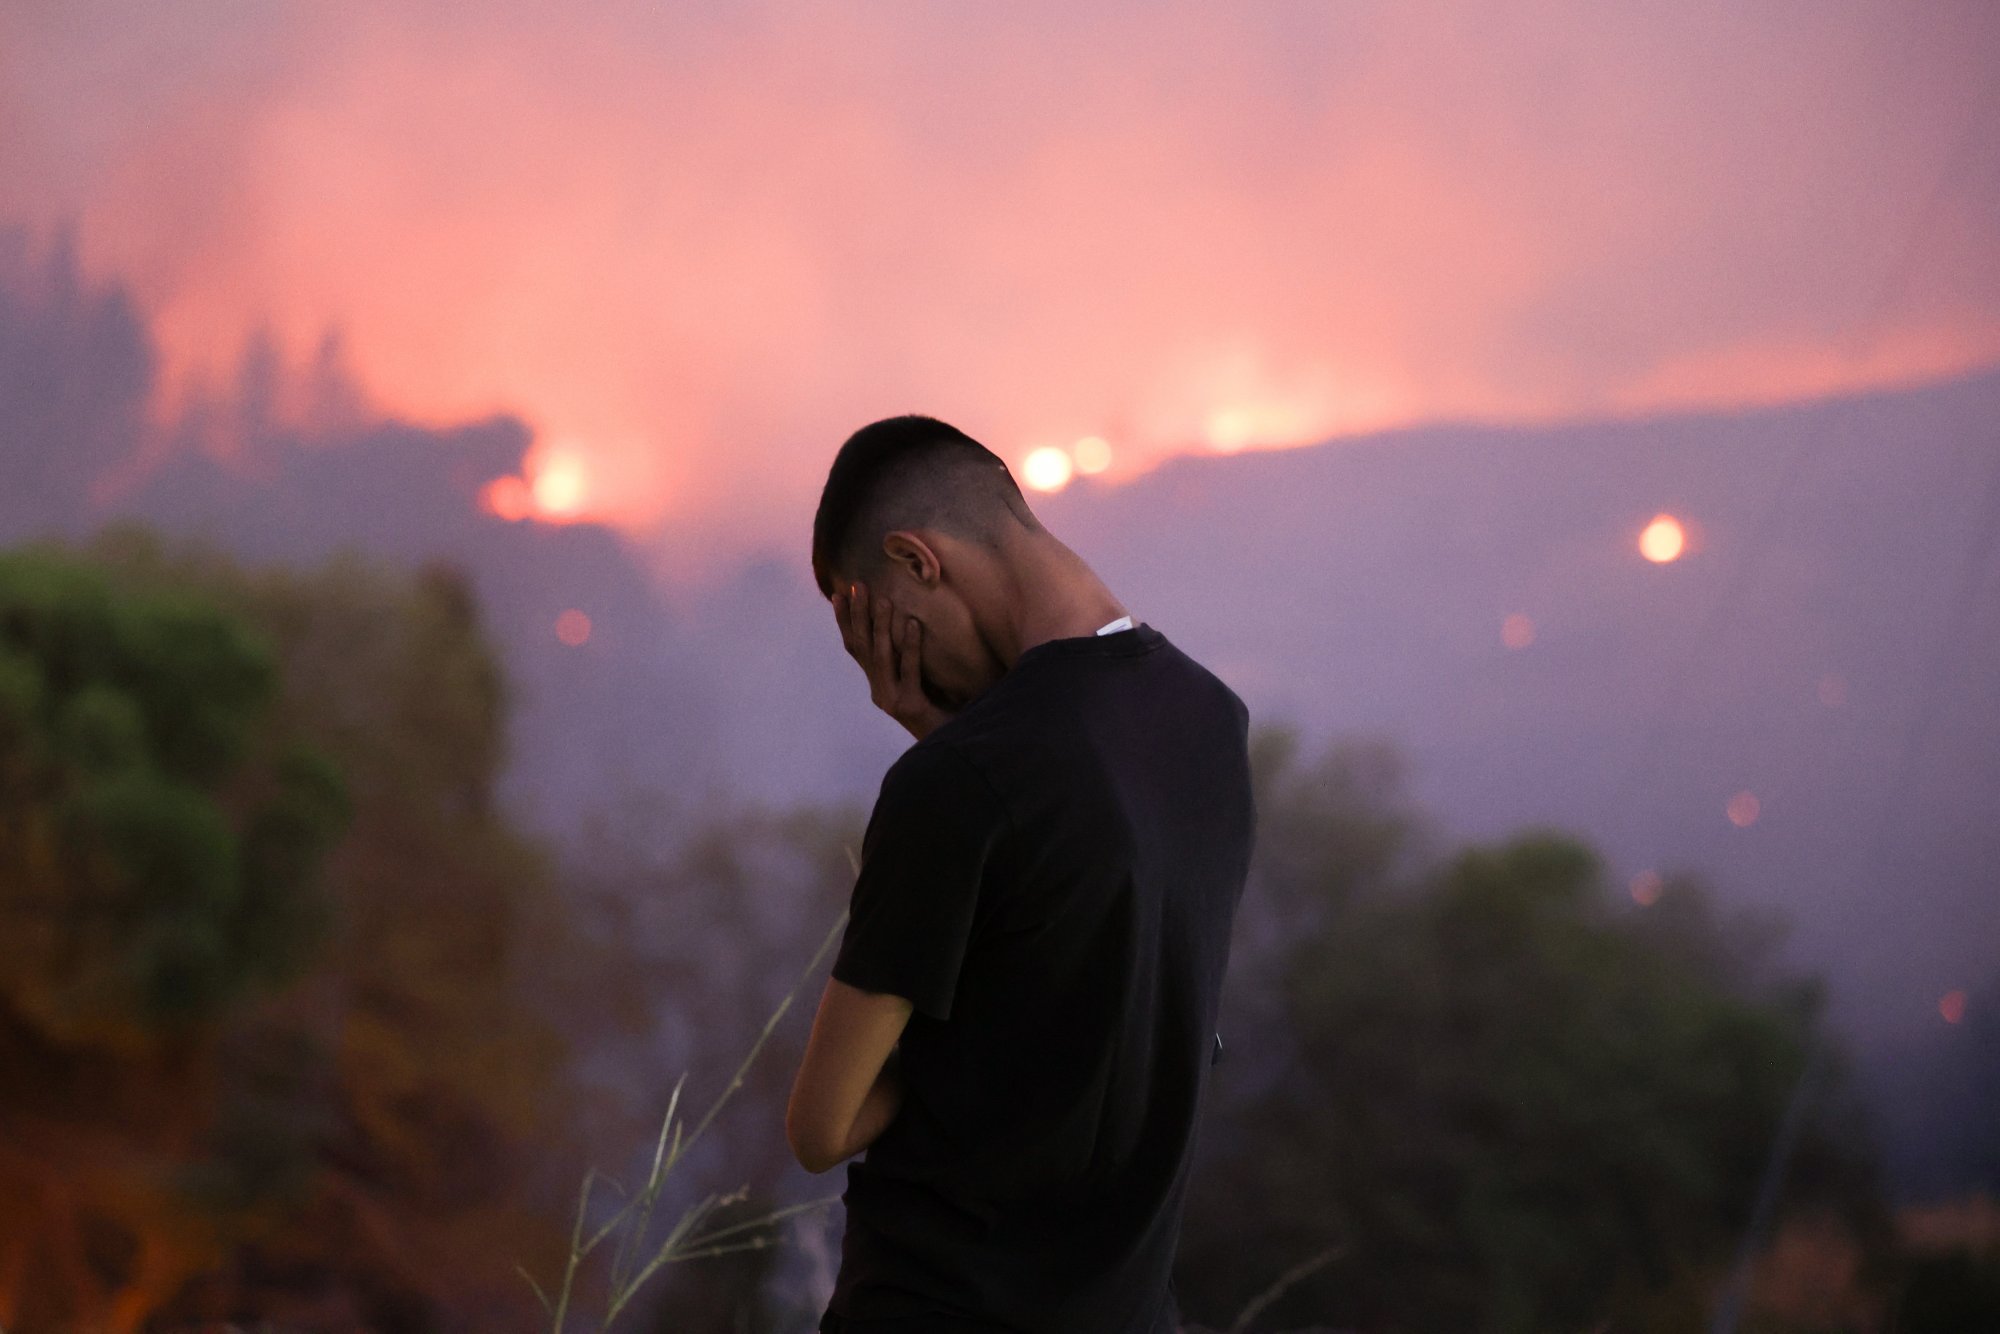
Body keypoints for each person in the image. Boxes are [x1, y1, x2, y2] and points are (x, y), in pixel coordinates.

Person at [786, 414, 1255, 1334]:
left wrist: (945, 758)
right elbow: (1096, 994)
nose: (898, 666)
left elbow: (821, 1127)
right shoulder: (1211, 722)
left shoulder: (961, 784)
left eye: (883, 627)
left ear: (918, 560)